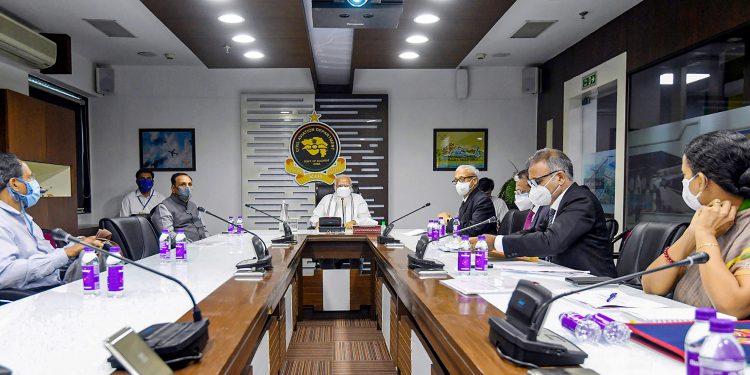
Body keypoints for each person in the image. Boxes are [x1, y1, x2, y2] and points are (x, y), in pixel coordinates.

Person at [642, 130, 750, 318]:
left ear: (700, 181)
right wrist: (692, 234)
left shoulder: (741, 226)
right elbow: (652, 285)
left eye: (685, 176)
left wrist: (706, 236)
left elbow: (734, 306)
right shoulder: (705, 220)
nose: (684, 183)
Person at [484, 149, 617, 277]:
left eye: (537, 182)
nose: (533, 189)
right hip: (564, 276)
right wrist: (495, 243)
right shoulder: (556, 202)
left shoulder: (581, 200)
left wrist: (496, 242)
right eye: (531, 183)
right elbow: (535, 232)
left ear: (560, 177)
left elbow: (551, 241)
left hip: (592, 284)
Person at [0, 153, 102, 290]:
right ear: (15, 184)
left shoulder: (24, 218)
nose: (35, 184)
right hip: (32, 299)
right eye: (29, 178)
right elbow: (6, 274)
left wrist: (79, 243)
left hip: (56, 284)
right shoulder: (3, 221)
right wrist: (67, 253)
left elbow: (48, 258)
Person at [151, 173, 207, 242]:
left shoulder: (193, 205)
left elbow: (203, 228)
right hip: (183, 249)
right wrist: (185, 243)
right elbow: (168, 235)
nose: (187, 187)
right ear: (173, 188)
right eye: (183, 184)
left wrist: (209, 240)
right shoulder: (163, 207)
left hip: (202, 245)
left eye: (189, 184)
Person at [443, 165, 496, 237]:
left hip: (481, 245)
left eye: (461, 179)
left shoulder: (482, 200)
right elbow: (462, 223)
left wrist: (448, 221)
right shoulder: (468, 198)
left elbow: (473, 230)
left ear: (474, 181)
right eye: (456, 180)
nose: (458, 183)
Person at [310, 175, 377, 229]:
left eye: (346, 186)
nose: (343, 188)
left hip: (353, 236)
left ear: (351, 187)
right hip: (329, 235)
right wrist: (317, 223)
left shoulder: (358, 198)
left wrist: (354, 222)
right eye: (340, 186)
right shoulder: (326, 198)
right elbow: (314, 217)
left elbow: (367, 218)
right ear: (335, 187)